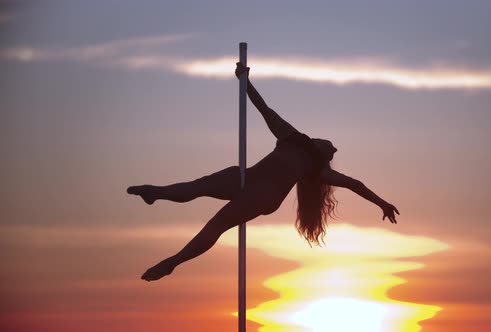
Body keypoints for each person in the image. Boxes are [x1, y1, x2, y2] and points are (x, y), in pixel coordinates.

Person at [127, 62, 400, 282]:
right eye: (332, 146)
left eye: (332, 150)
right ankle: (156, 193)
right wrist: (244, 80)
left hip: (262, 197)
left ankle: (173, 262)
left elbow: (356, 184)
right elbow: (263, 108)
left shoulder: (317, 170)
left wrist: (382, 203)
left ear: (324, 156)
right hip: (247, 177)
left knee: (216, 225)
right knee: (199, 186)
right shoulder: (291, 136)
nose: (335, 148)